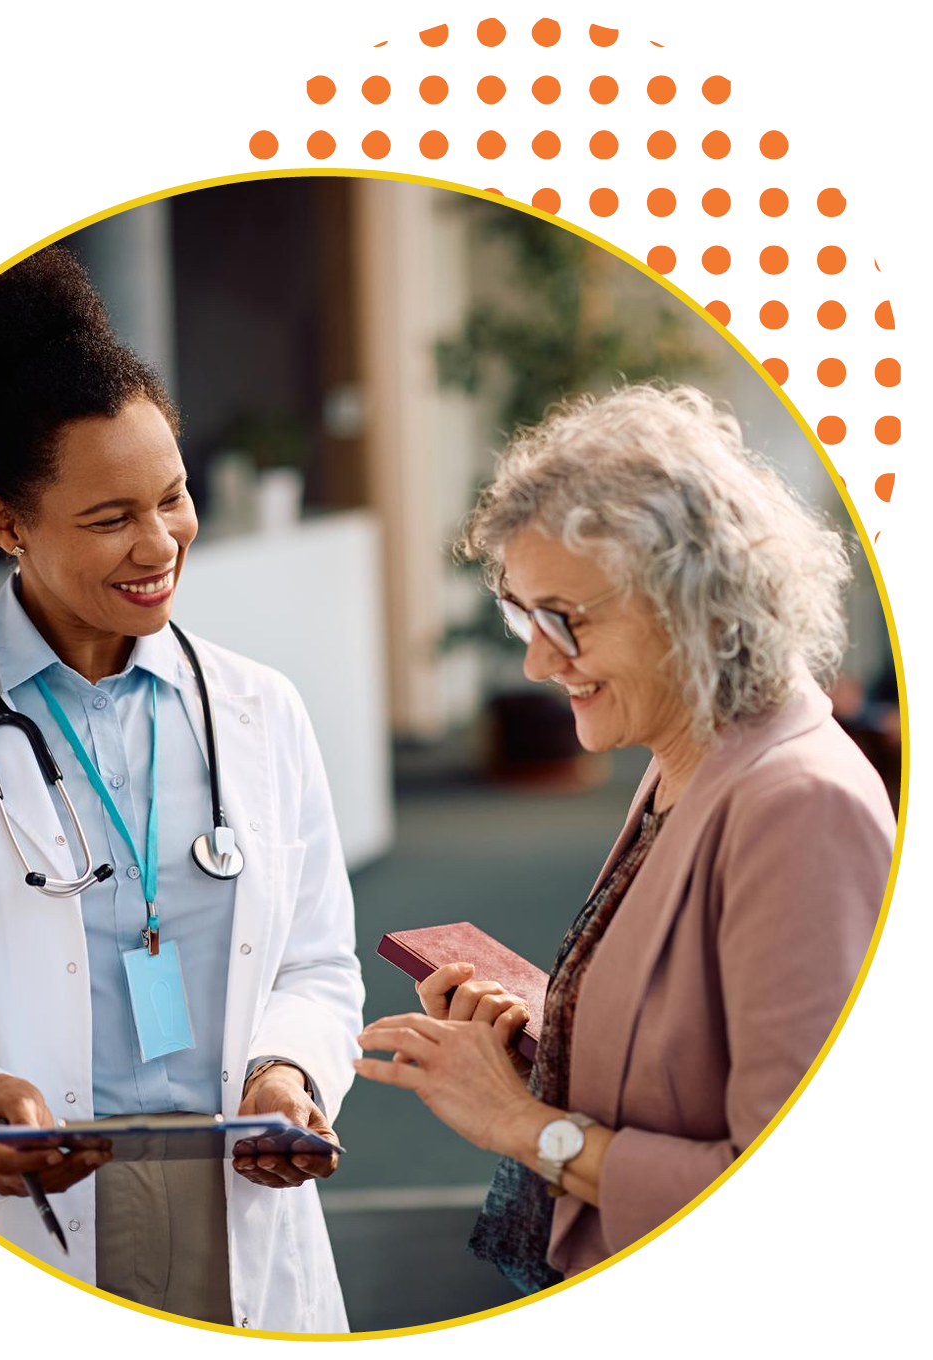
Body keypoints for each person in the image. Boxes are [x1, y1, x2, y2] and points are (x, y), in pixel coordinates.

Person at [0, 245, 364, 1332]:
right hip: (35, 1212)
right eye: (110, 519)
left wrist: (286, 1069)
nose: (160, 544)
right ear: (7, 523)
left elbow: (316, 961)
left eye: (173, 496)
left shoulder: (260, 712)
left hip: (239, 1207)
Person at [353, 382, 898, 1291]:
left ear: (694, 602)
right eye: (524, 616)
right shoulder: (686, 751)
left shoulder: (801, 806)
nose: (535, 660)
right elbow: (687, 1034)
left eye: (564, 619)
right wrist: (546, 1031)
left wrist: (518, 1123)